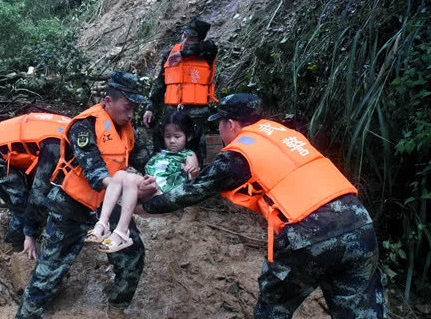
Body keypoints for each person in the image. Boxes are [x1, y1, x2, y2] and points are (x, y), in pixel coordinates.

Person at [136, 93, 386, 318]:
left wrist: (146, 207)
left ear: (230, 124)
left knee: (272, 310)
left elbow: (191, 192)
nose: (221, 132)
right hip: (360, 225)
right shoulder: (282, 134)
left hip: (309, 234)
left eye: (220, 125)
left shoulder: (240, 153)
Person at [15, 71, 157, 319]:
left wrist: (171, 167)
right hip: (71, 207)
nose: (131, 114)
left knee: (133, 257)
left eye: (135, 108)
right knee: (49, 272)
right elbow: (96, 174)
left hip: (106, 205)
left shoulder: (125, 128)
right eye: (127, 107)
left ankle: (116, 308)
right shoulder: (84, 126)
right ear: (108, 101)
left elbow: (146, 160)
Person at [86, 111, 200, 253]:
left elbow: (194, 174)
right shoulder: (161, 154)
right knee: (120, 175)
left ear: (188, 137)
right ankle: (103, 224)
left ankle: (122, 232)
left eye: (177, 137)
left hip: (165, 192)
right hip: (150, 186)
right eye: (168, 136)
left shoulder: (188, 154)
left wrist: (193, 170)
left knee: (129, 177)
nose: (172, 141)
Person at [0, 112, 72, 259]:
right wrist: (29, 235)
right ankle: (14, 249)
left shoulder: (75, 128)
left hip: (5, 144)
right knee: (23, 206)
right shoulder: (55, 146)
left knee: (33, 201)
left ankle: (8, 199)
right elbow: (38, 193)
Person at [143, 16, 218, 167]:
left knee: (197, 154)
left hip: (197, 115)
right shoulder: (170, 54)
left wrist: (184, 54)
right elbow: (160, 83)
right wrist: (150, 107)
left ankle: (196, 184)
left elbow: (210, 46)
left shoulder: (206, 53)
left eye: (192, 38)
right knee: (169, 150)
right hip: (173, 113)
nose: (186, 40)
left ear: (199, 39)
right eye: (185, 35)